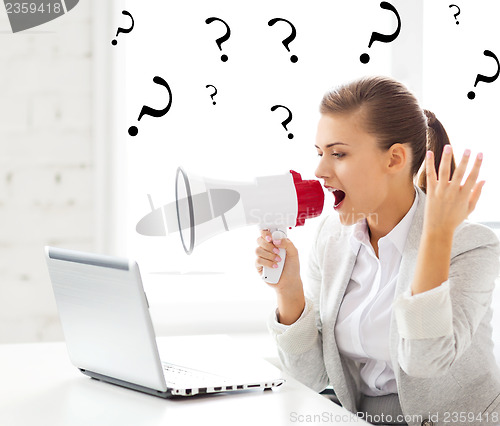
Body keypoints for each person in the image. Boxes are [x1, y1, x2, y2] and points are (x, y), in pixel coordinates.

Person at [255, 76, 500, 426]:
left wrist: (437, 233)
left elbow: (424, 361)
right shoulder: (332, 238)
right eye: (320, 153)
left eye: (338, 154)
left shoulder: (470, 244)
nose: (320, 171)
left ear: (395, 159)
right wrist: (288, 290)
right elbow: (310, 377)